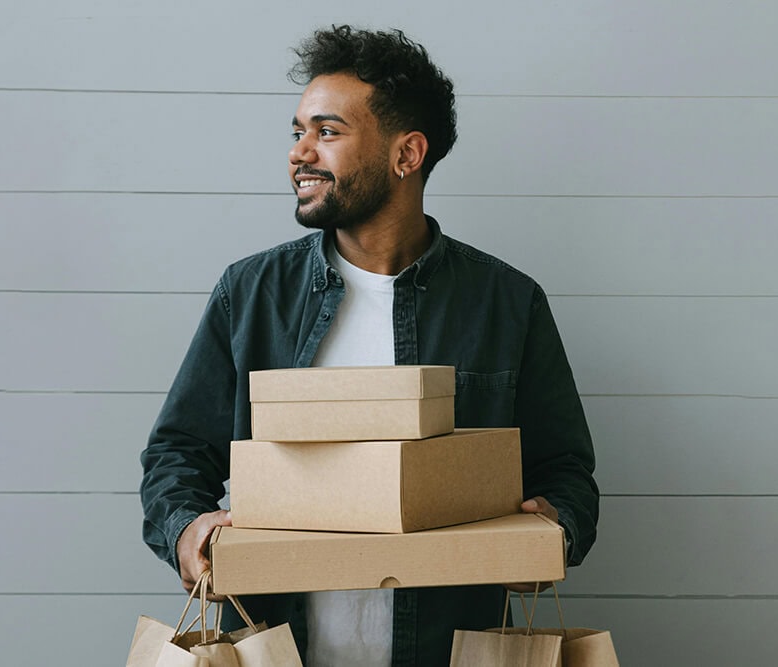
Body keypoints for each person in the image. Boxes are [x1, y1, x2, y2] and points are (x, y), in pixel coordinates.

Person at [140, 25, 599, 666]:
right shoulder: (250, 293)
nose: (300, 153)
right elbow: (177, 454)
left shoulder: (507, 302)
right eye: (297, 132)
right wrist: (187, 530)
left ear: (406, 154)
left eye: (326, 132)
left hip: (447, 652)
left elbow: (567, 472)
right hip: (284, 650)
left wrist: (551, 532)